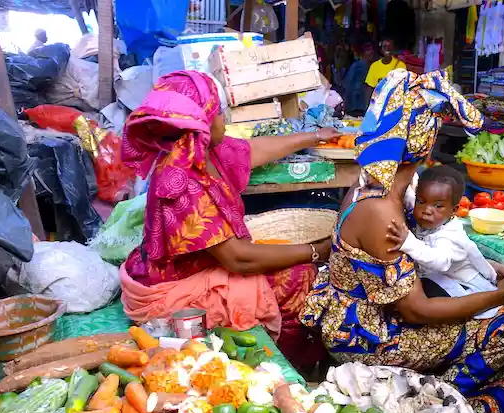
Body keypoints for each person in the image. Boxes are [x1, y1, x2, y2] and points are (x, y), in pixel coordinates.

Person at [302, 70, 504, 413]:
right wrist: (502, 294)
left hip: (351, 318)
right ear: (424, 141)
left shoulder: (377, 188)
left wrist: (488, 269)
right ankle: (436, 408)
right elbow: (418, 311)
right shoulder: (380, 211)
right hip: (364, 336)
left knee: (494, 303)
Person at [119, 71, 339, 369]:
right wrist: (316, 251)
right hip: (171, 289)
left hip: (192, 267)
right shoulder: (181, 183)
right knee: (298, 277)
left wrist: (313, 136)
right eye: (219, 113)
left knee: (288, 260)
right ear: (203, 121)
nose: (223, 119)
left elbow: (252, 151)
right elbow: (239, 259)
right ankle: (284, 366)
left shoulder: (198, 149)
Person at [388, 166, 502, 320]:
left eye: (438, 206)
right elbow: (408, 198)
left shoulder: (450, 236)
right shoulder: (429, 218)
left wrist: (409, 242)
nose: (426, 210)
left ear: (454, 210)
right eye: (421, 201)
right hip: (440, 276)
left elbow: (439, 262)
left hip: (462, 285)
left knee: (424, 296)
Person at [343, 43, 375, 115]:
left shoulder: (372, 66)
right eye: (368, 50)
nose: (371, 52)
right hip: (357, 105)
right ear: (363, 53)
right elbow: (348, 84)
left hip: (366, 104)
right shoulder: (357, 66)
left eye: (372, 50)